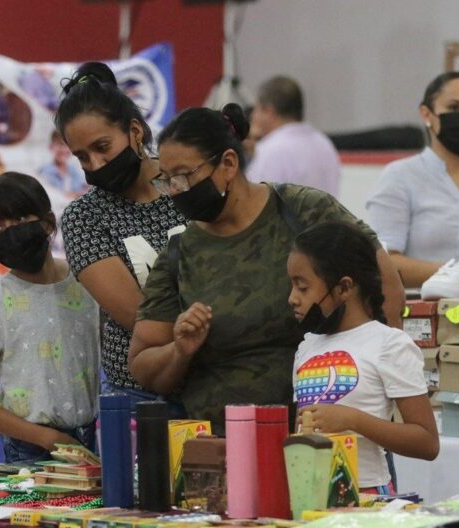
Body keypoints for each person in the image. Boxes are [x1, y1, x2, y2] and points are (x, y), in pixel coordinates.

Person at [128, 104, 404, 431]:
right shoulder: (179, 254)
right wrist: (179, 350)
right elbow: (144, 364)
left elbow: (386, 286)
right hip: (224, 447)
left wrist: (383, 381)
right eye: (167, 181)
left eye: (184, 177)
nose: (175, 192)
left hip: (329, 435)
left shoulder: (303, 212)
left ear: (228, 163)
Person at [56, 62, 188, 410]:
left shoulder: (187, 184)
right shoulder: (84, 218)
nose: (96, 164)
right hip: (141, 397)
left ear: (135, 131)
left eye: (103, 147)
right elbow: (139, 318)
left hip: (219, 384)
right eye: (82, 157)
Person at [288, 221, 439, 494]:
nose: (292, 299)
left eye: (302, 287)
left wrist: (353, 421)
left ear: (344, 287)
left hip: (365, 496)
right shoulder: (307, 347)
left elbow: (427, 443)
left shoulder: (389, 344)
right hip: (308, 494)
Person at [0, 172, 100, 464]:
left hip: (92, 435)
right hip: (29, 448)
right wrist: (45, 438)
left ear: (48, 222)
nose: (10, 231)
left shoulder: (88, 282)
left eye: (20, 218)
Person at [365, 71, 459, 288]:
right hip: (416, 313)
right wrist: (458, 275)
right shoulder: (399, 178)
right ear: (426, 114)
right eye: (454, 107)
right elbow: (384, 263)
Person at [247, 76, 341, 198]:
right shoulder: (324, 143)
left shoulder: (270, 150)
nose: (253, 115)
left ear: (268, 112)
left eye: (256, 109)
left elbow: (256, 203)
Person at [38, 130, 88, 196]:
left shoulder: (75, 171)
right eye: (60, 145)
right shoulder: (44, 172)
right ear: (51, 147)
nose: (64, 150)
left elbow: (85, 188)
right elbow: (52, 195)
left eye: (67, 146)